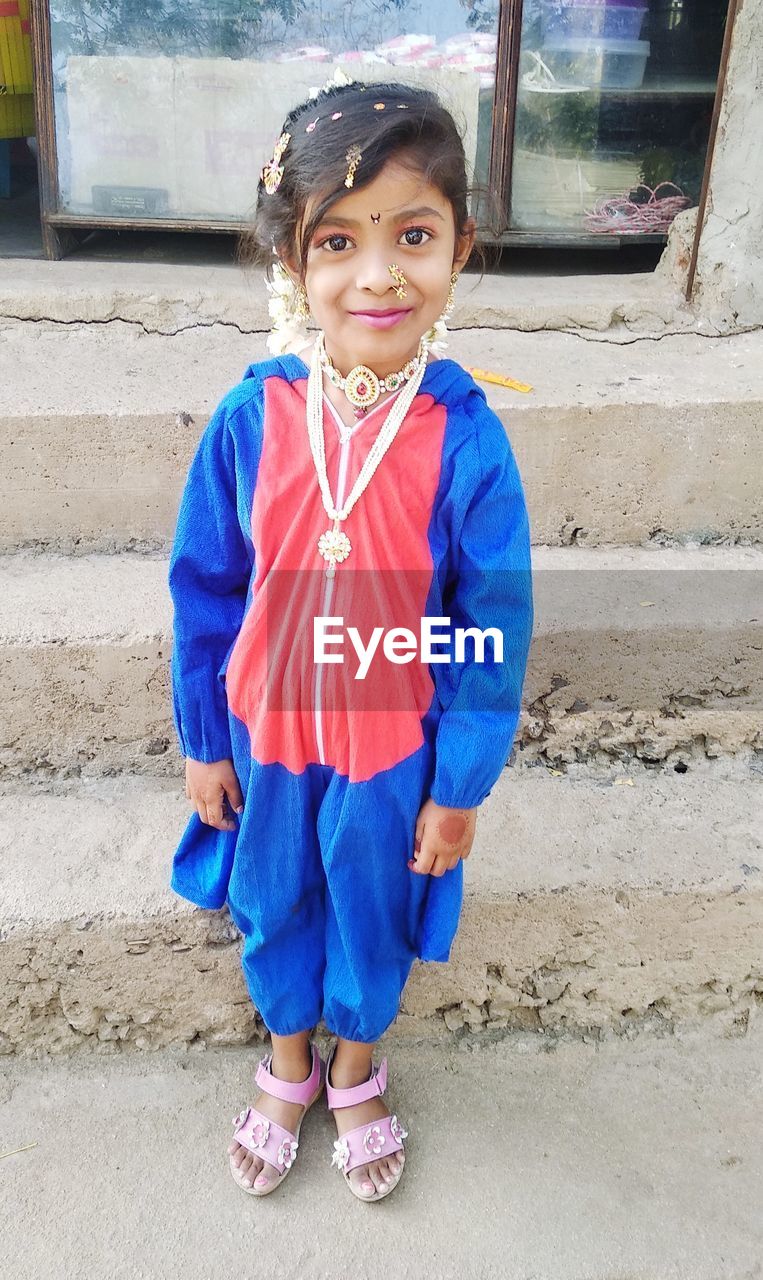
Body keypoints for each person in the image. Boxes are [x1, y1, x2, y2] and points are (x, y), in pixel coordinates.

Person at [168, 76, 534, 1204]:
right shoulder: (250, 418)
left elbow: (491, 623)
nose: (378, 275)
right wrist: (204, 735)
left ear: (458, 247)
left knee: (371, 907)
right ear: (293, 259)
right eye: (340, 240)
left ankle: (359, 1066)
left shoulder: (465, 439)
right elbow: (205, 589)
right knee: (274, 898)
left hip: (391, 744)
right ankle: (287, 1059)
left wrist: (457, 777)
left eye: (412, 235)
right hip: (269, 730)